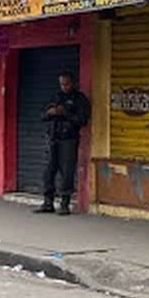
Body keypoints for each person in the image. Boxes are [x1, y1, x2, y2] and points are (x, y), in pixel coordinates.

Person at [35, 71, 91, 216]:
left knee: (67, 172)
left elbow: (82, 120)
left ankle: (65, 203)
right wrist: (50, 113)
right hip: (53, 138)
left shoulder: (80, 99)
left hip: (69, 139)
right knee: (48, 172)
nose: (64, 87)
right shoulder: (56, 97)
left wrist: (65, 113)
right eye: (62, 84)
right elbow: (42, 115)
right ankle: (48, 202)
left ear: (73, 83)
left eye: (67, 84)